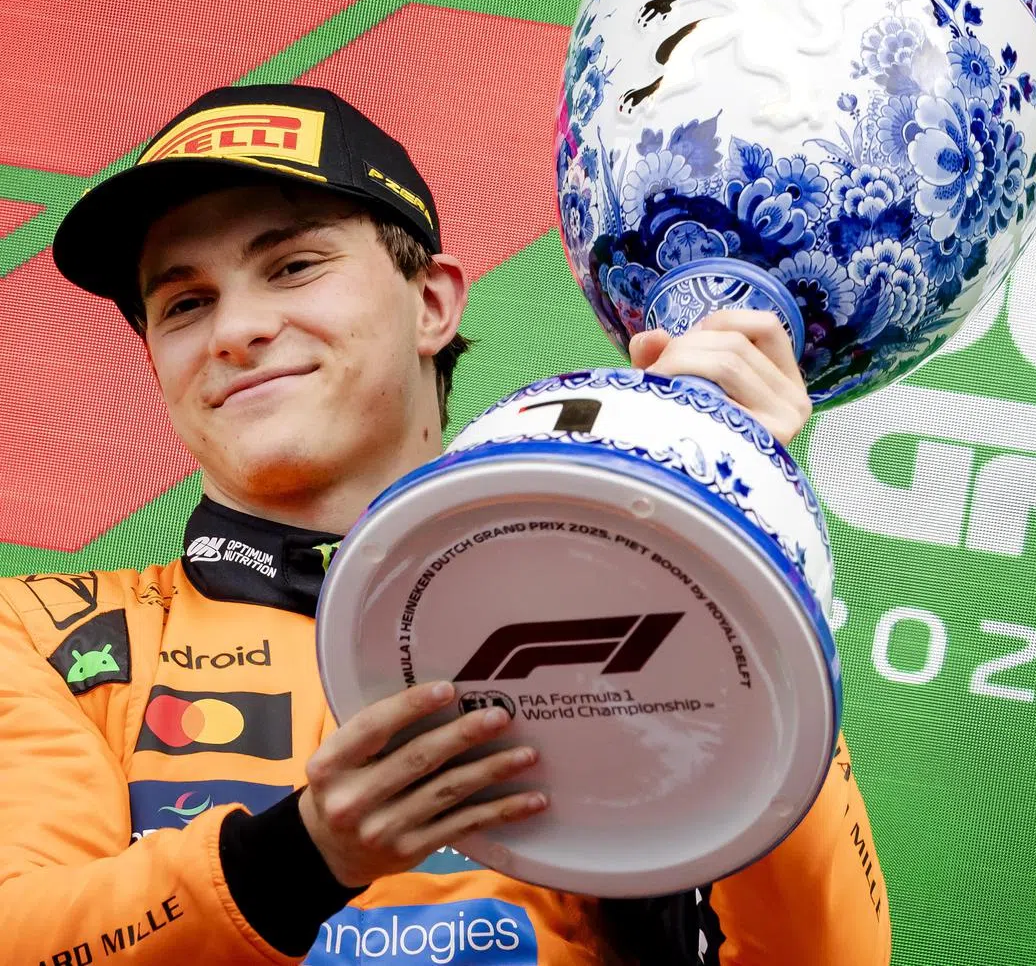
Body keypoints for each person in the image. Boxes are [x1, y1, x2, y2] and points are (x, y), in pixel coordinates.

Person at [0, 83, 890, 965]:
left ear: (432, 305)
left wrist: (733, 537)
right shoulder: (40, 633)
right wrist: (300, 861)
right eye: (185, 303)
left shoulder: (655, 610)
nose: (235, 329)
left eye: (293, 266)